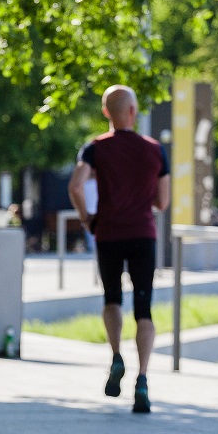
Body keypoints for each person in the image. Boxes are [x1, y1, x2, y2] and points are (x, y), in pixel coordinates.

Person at [67, 85, 171, 414]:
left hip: (108, 233)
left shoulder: (95, 148)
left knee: (112, 298)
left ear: (106, 112)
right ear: (133, 111)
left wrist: (87, 218)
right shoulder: (155, 150)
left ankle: (115, 356)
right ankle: (142, 379)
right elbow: (162, 201)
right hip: (143, 234)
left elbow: (75, 186)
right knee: (144, 308)